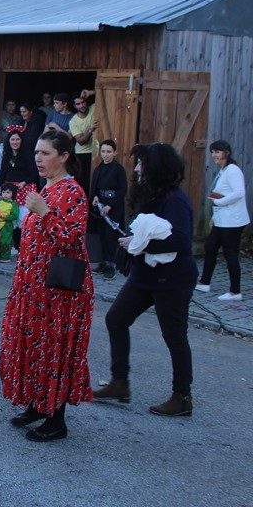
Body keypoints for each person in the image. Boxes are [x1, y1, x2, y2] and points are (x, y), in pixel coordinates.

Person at [0, 130, 94, 442]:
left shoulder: (73, 192)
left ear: (64, 156)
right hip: (32, 285)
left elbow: (71, 239)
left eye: (46, 153)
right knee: (32, 343)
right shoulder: (47, 187)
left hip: (58, 290)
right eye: (37, 152)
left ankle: (57, 418)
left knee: (55, 348)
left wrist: (44, 212)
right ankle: (38, 404)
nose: (38, 158)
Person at [93, 143, 198, 417]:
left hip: (172, 280)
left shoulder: (174, 200)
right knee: (116, 320)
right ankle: (119, 383)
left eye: (142, 164)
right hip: (145, 277)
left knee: (174, 337)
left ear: (156, 169)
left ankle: (182, 397)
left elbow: (181, 241)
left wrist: (139, 243)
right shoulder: (150, 195)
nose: (137, 169)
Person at [197, 140, 249, 301]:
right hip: (222, 220)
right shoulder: (223, 170)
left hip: (232, 221)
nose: (214, 155)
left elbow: (239, 192)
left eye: (217, 152)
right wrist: (213, 216)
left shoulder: (233, 170)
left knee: (230, 254)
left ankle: (235, 291)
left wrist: (219, 202)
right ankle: (204, 282)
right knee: (210, 246)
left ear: (226, 152)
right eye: (212, 152)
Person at [90, 140, 127, 279]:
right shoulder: (98, 169)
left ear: (115, 152)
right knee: (102, 235)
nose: (105, 155)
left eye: (109, 152)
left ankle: (111, 265)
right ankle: (104, 262)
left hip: (114, 207)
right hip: (101, 207)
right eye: (103, 151)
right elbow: (95, 188)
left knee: (111, 237)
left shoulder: (118, 169)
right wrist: (94, 198)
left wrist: (110, 205)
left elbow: (122, 189)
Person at [0, 125, 39, 225]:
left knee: (23, 220)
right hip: (9, 190)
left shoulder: (27, 154)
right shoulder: (7, 155)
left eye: (17, 139)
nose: (15, 142)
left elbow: (34, 173)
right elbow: (2, 173)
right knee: (10, 222)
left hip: (24, 190)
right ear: (9, 141)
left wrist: (24, 183)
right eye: (13, 139)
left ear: (21, 140)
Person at [69, 94, 97, 196]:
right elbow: (80, 141)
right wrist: (90, 130)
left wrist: (90, 92)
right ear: (75, 106)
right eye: (78, 104)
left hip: (96, 152)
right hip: (82, 154)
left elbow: (105, 94)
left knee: (95, 181)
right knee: (83, 182)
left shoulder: (93, 108)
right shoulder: (73, 121)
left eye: (83, 102)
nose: (82, 105)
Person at [0, 184, 19, 262]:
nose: (5, 194)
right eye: (3, 192)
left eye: (8, 192)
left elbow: (14, 216)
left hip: (7, 225)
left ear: (13, 193)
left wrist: (6, 217)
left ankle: (6, 256)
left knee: (5, 241)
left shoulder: (13, 204)